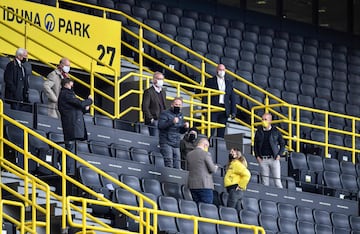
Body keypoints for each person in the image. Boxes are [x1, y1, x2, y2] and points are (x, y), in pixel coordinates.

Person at [58, 78, 93, 174]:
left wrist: (85, 107)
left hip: (72, 125)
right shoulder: (66, 94)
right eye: (71, 83)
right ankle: (68, 171)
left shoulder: (67, 94)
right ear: (68, 84)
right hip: (71, 126)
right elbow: (79, 103)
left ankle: (70, 170)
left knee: (72, 149)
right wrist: (89, 100)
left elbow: (78, 107)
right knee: (70, 149)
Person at [203, 64, 236, 138]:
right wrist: (204, 108)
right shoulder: (210, 81)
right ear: (217, 70)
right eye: (220, 69)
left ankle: (218, 147)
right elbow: (205, 95)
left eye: (223, 70)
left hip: (224, 109)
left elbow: (232, 98)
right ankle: (208, 144)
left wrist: (233, 111)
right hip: (212, 108)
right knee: (210, 129)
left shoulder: (229, 83)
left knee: (221, 131)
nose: (222, 71)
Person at [254, 113, 285, 188]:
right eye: (262, 119)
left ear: (270, 121)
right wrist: (257, 156)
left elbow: (282, 144)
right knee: (265, 183)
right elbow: (255, 145)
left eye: (265, 119)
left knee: (277, 181)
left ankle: (281, 198)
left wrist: (279, 154)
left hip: (273, 159)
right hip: (263, 159)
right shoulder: (259, 131)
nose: (263, 121)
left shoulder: (275, 131)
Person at [158, 97, 189, 168]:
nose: (177, 106)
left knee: (177, 165)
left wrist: (185, 127)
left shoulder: (180, 115)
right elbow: (160, 126)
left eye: (179, 105)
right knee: (169, 163)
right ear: (172, 105)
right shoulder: (164, 113)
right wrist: (172, 122)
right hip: (166, 142)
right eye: (176, 104)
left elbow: (180, 131)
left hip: (176, 143)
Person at [187, 138, 218, 204]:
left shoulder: (189, 154)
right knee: (206, 208)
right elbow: (212, 169)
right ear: (205, 145)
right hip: (204, 185)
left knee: (198, 208)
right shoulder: (206, 154)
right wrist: (215, 167)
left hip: (192, 185)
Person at [142, 71, 166, 136]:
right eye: (159, 79)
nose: (161, 81)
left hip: (162, 120)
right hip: (154, 120)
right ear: (154, 79)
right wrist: (151, 119)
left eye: (162, 79)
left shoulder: (163, 92)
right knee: (154, 138)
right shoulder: (148, 92)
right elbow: (145, 107)